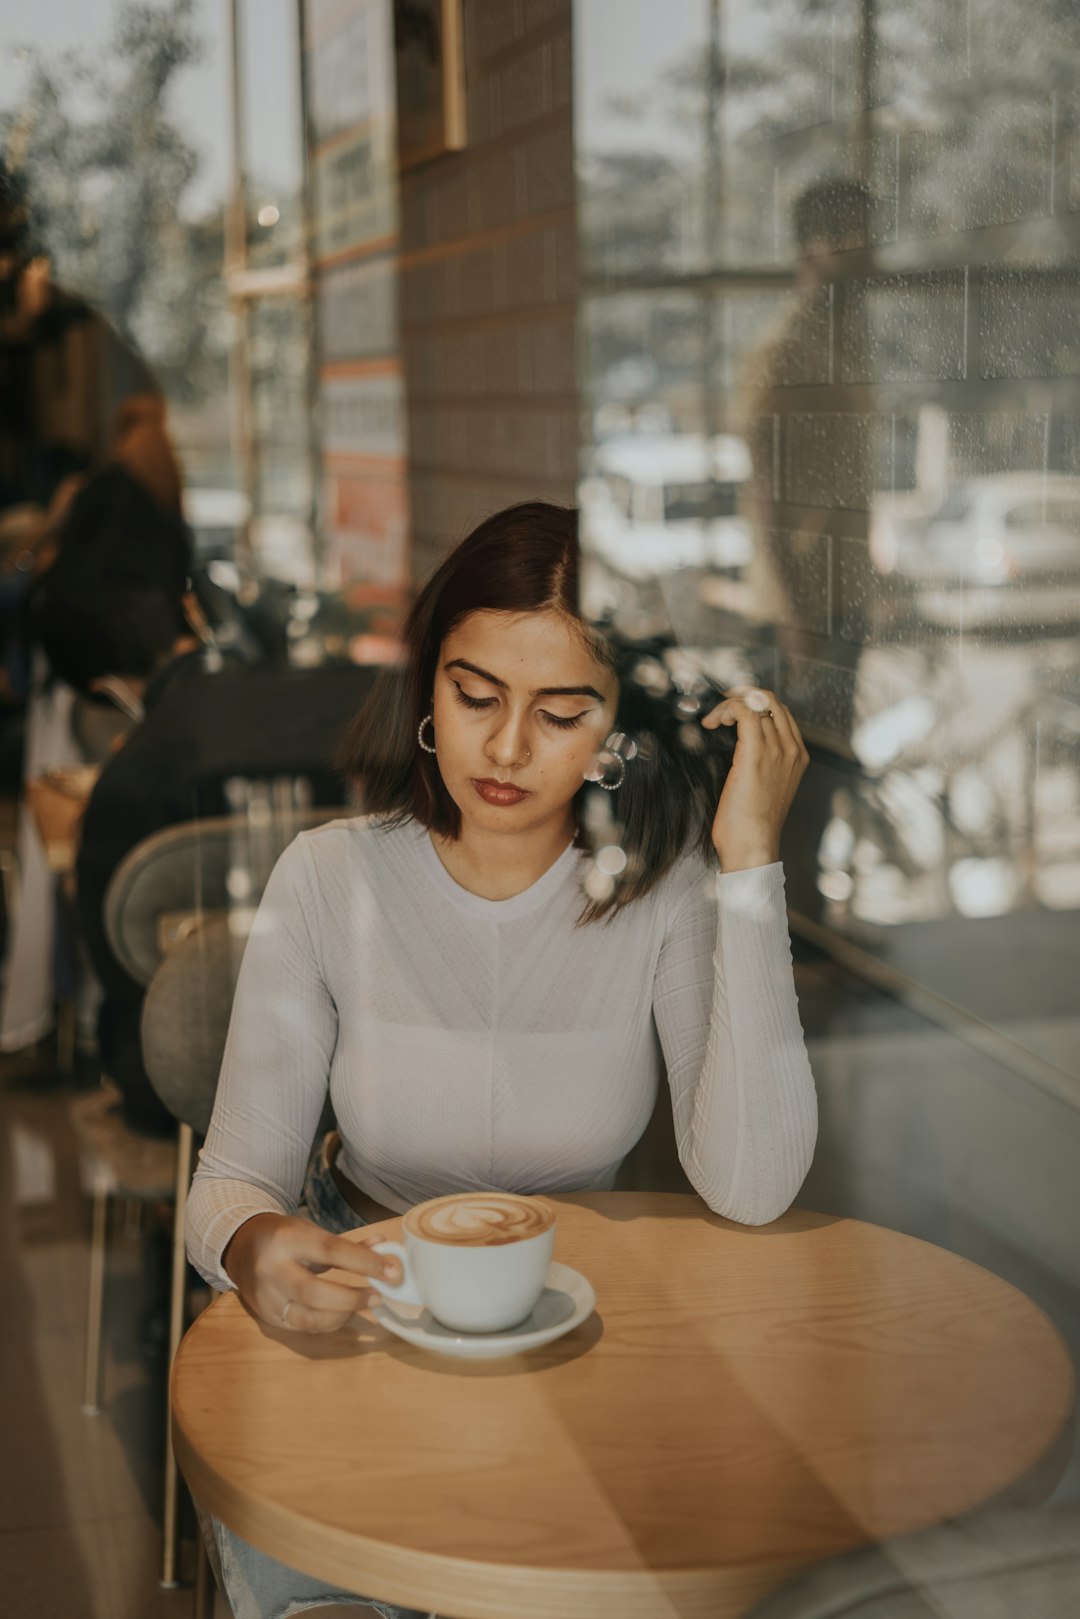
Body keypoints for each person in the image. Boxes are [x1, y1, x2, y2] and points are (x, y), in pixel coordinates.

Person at [185, 501, 817, 1619]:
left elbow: (754, 1187)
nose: (508, 746)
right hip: (358, 1317)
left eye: (562, 712)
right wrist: (257, 1241)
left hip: (582, 1334)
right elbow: (228, 1181)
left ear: (619, 731)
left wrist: (748, 863)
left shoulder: (661, 893)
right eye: (475, 695)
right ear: (429, 685)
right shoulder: (332, 878)